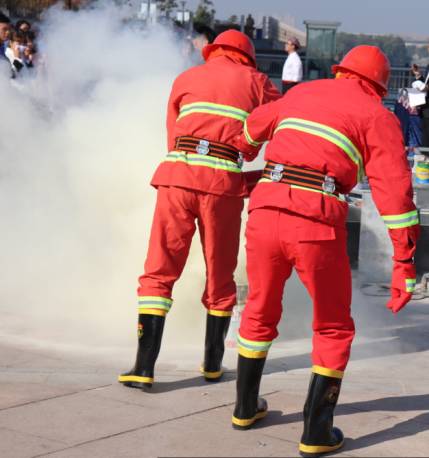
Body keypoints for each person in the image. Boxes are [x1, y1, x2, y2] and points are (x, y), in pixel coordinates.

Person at [230, 46, 420, 456]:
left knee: (259, 310)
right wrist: (404, 264)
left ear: (341, 72)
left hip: (265, 210)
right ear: (379, 85)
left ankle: (244, 408)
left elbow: (251, 129)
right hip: (314, 219)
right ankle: (316, 431)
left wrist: (245, 152)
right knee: (333, 326)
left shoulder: (301, 94)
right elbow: (395, 195)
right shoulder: (376, 115)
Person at [118, 30, 281, 391]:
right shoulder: (258, 82)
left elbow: (171, 133)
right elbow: (280, 124)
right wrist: (249, 155)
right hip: (222, 184)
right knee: (220, 274)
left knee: (159, 269)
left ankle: (143, 367)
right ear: (248, 57)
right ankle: (212, 364)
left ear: (214, 52)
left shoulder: (186, 77)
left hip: (176, 174)